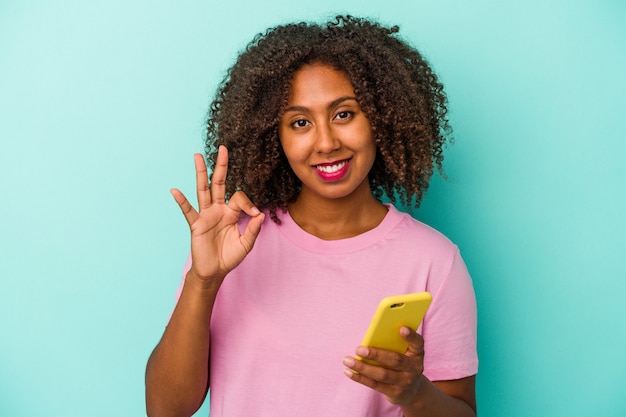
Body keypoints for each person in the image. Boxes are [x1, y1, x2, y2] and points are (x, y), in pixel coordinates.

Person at [145, 15, 478, 417]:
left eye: (344, 114)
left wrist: (413, 393)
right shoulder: (232, 244)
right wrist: (204, 281)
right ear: (274, 136)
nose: (325, 142)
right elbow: (165, 409)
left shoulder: (434, 262)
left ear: (380, 116)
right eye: (300, 122)